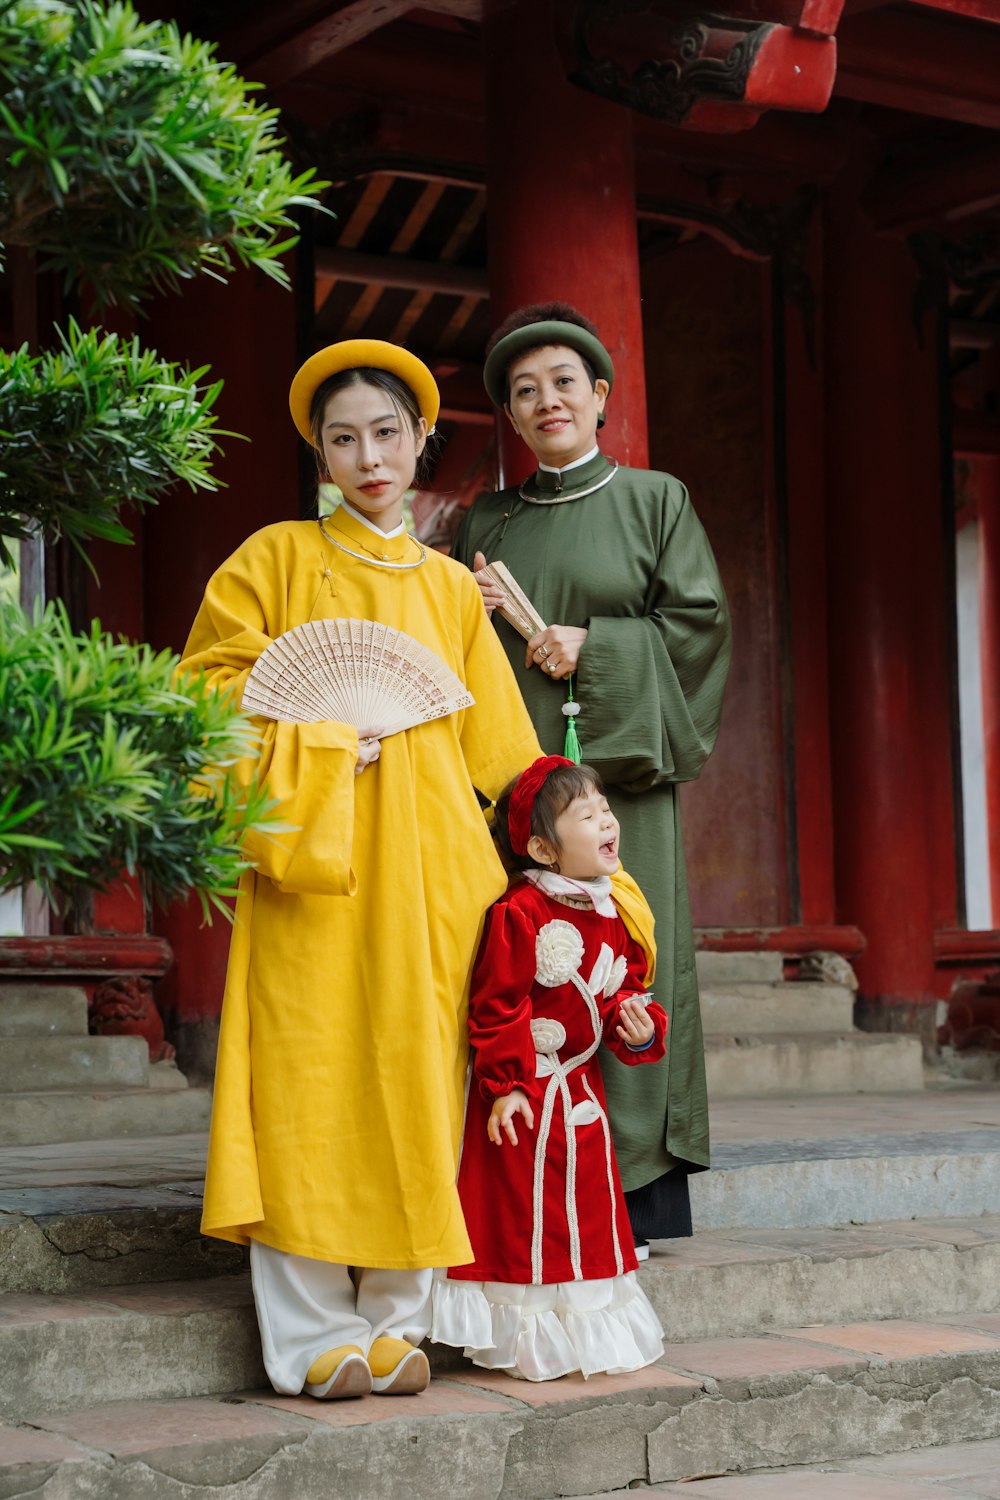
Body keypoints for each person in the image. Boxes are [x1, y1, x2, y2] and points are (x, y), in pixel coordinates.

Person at [179, 339, 541, 1401]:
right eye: (344, 438)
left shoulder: (446, 586)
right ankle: (308, 1338)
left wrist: (567, 863)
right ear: (318, 454)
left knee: (419, 1083)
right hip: (312, 871)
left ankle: (394, 1322)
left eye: (387, 433)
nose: (369, 456)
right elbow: (205, 698)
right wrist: (326, 742)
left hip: (436, 878)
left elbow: (505, 755)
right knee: (306, 1081)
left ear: (423, 437)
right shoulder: (272, 559)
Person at [452, 304, 731, 1252]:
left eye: (564, 382)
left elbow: (699, 628)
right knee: (525, 967)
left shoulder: (658, 500)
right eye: (524, 392)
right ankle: (527, 1181)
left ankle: (636, 1188)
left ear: (600, 395)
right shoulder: (486, 522)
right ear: (512, 419)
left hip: (621, 779)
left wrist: (597, 648)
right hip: (520, 786)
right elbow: (455, 650)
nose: (546, 401)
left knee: (624, 960)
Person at [431, 755, 667, 1381]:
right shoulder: (521, 914)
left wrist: (638, 1024)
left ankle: (583, 1330)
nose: (606, 822)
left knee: (582, 1215)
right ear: (542, 847)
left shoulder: (612, 912)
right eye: (585, 815)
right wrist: (506, 1086)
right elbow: (497, 1004)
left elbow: (617, 993)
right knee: (527, 1214)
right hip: (531, 1094)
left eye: (606, 810)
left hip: (583, 1097)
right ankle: (529, 1336)